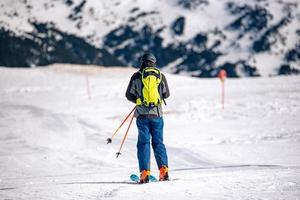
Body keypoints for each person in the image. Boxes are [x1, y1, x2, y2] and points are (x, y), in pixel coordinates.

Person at [125, 52, 170, 183]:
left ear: (142, 62)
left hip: (142, 116)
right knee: (158, 143)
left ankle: (145, 173)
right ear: (154, 62)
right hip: (157, 115)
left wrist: (139, 100)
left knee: (143, 143)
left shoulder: (136, 76)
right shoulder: (160, 76)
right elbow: (166, 94)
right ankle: (164, 171)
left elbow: (128, 95)